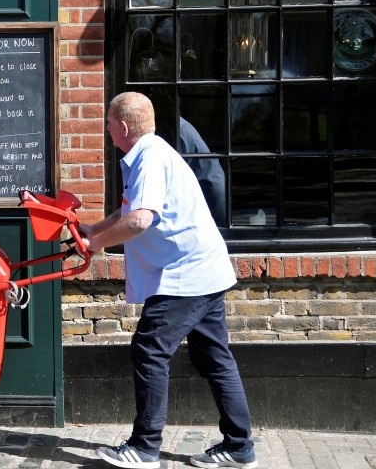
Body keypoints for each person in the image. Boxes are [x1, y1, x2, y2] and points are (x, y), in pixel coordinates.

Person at [80, 92, 256, 469]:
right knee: (214, 357)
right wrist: (94, 228)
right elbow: (131, 209)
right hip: (205, 270)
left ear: (123, 127)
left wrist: (95, 244)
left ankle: (145, 448)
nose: (107, 129)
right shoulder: (152, 152)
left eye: (109, 123)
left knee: (149, 351)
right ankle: (239, 446)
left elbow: (141, 220)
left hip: (185, 275)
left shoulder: (149, 158)